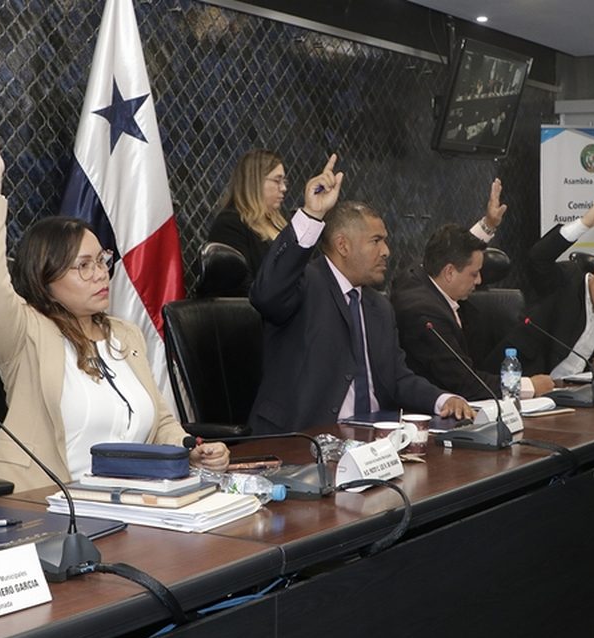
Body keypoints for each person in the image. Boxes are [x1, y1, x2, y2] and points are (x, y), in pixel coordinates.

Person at [0, 129, 229, 492]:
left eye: (101, 261)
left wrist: (189, 451)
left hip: (130, 502)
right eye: (83, 266)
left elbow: (161, 421)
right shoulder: (24, 333)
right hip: (44, 504)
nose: (101, 273)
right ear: (46, 277)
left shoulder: (125, 334)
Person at [247, 154, 474, 434]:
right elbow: (266, 294)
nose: (386, 251)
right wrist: (311, 214)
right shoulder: (304, 285)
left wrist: (443, 399)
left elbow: (396, 378)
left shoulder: (378, 306)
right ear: (343, 245)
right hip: (301, 440)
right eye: (376, 241)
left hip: (374, 444)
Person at [481, 191, 594, 378]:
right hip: (515, 384)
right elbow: (538, 257)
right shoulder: (566, 280)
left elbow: (571, 350)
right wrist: (584, 224)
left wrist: (592, 362)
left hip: (566, 392)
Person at [391, 223, 555, 401]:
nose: (479, 280)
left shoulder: (418, 274)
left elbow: (452, 250)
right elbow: (464, 384)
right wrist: (529, 386)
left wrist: (486, 227)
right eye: (474, 273)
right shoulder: (425, 314)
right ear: (450, 272)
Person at [203, 149, 289, 294]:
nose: (284, 188)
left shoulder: (281, 223)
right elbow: (238, 286)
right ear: (255, 181)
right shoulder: (229, 225)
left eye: (284, 181)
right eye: (277, 180)